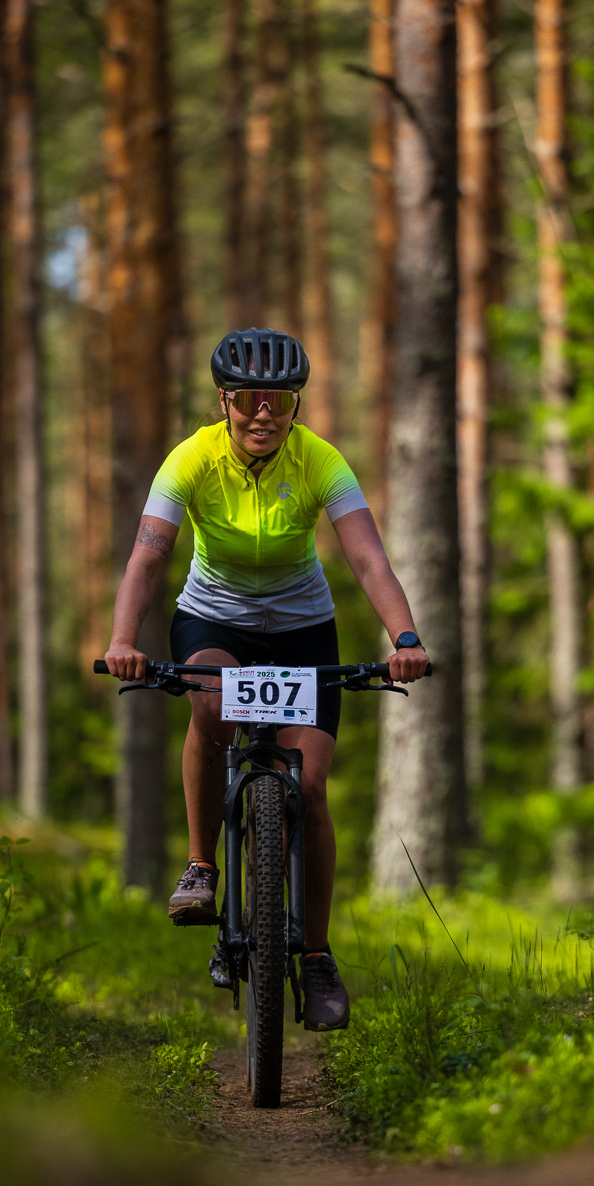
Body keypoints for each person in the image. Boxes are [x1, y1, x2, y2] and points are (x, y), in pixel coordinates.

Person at [104, 328, 429, 1032]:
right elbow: (147, 557)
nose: (263, 413)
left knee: (307, 788)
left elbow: (369, 559)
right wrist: (123, 641)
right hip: (213, 622)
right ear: (224, 400)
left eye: (278, 401)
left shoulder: (320, 460)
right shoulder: (191, 458)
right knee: (212, 706)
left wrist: (404, 639)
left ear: (294, 406)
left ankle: (316, 956)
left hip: (303, 630)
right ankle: (202, 865)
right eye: (249, 399)